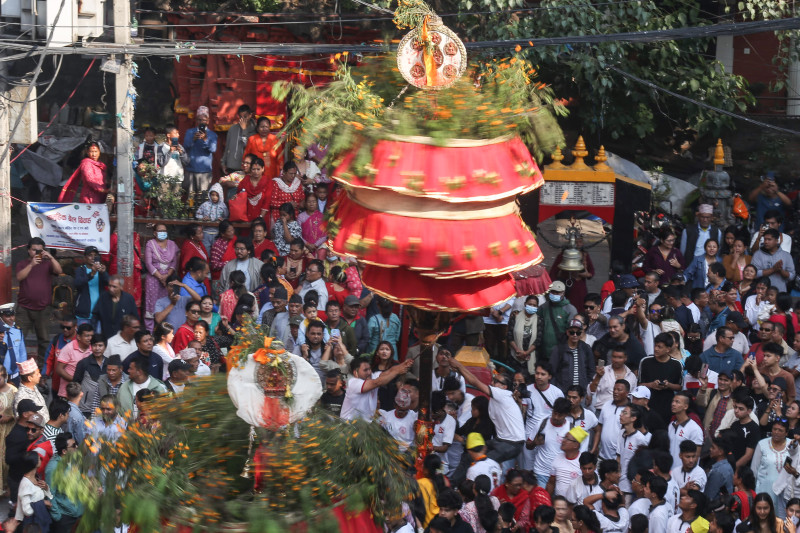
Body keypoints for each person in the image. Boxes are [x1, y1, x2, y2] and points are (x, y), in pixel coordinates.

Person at [448, 356, 526, 465]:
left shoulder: (503, 394)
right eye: (493, 380)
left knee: (481, 462)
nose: (492, 383)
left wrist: (459, 366)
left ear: (504, 387)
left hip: (511, 444)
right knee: (472, 452)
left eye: (496, 381)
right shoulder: (498, 399)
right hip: (500, 441)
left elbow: (475, 382)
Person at [16, 238, 63, 363]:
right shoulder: (22, 263)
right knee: (18, 339)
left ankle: (42, 371)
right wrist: (32, 264)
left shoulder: (47, 264)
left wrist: (51, 257)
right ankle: (19, 367)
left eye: (39, 250)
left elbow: (59, 271)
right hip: (24, 308)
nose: (36, 252)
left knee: (44, 341)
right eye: (33, 250)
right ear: (28, 250)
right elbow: (20, 277)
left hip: (43, 309)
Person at [340, 356, 413, 421]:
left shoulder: (372, 377)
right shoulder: (354, 383)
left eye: (370, 369)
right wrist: (398, 371)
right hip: (348, 425)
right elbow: (377, 382)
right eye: (365, 370)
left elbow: (389, 371)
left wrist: (403, 365)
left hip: (363, 426)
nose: (369, 372)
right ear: (355, 373)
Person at [638, 333, 683, 428]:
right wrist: (651, 385)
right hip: (648, 407)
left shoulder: (676, 364)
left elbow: (679, 386)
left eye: (660, 347)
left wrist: (669, 385)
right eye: (655, 345)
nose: (656, 349)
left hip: (667, 408)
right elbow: (639, 384)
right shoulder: (645, 362)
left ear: (668, 349)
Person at [143, 224, 180, 332]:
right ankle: (150, 332)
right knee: (151, 305)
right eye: (160, 231)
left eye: (164, 230)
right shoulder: (150, 244)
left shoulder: (172, 244)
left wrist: (167, 276)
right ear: (154, 233)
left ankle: (165, 331)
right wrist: (160, 277)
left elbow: (174, 262)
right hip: (153, 279)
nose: (162, 232)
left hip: (168, 279)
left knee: (166, 303)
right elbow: (148, 263)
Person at [45, 432, 83, 533]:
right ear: (64, 451)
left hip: (79, 513)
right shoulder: (53, 468)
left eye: (76, 443)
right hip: (65, 518)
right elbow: (50, 494)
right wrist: (57, 517)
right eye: (74, 446)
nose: (77, 447)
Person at [753, 419, 791, 517]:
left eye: (780, 430)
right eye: (774, 429)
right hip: (764, 490)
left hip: (784, 491)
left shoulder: (792, 446)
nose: (776, 432)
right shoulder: (762, 444)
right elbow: (754, 469)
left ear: (786, 432)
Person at [549, 318, 595, 393]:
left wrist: (587, 388)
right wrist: (556, 390)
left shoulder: (586, 348)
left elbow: (591, 371)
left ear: (581, 333)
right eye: (572, 332)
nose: (575, 335)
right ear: (567, 332)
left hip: (581, 393)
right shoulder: (558, 349)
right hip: (562, 393)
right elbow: (551, 372)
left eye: (578, 333)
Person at [539, 281, 578, 364]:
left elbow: (572, 332)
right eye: (552, 292)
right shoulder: (544, 306)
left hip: (560, 352)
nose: (554, 294)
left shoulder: (570, 309)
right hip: (544, 351)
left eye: (557, 292)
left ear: (563, 293)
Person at [589, 345, 636, 412]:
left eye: (620, 357)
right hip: (602, 410)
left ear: (625, 358)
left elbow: (632, 397)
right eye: (614, 357)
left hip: (623, 413)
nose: (616, 360)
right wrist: (598, 377)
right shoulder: (603, 371)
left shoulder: (631, 376)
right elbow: (591, 391)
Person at [182, 105, 218, 195]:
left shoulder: (212, 134)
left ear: (208, 121)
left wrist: (205, 139)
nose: (201, 122)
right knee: (191, 199)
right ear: (196, 120)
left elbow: (213, 149)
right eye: (199, 119)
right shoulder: (190, 132)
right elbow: (185, 146)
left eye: (204, 120)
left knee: (203, 198)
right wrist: (193, 139)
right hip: (191, 170)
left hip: (205, 171)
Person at [54, 323, 93, 399]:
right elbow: (59, 370)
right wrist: (75, 380)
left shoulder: (93, 348)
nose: (90, 338)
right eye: (87, 336)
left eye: (91, 336)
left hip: (85, 395)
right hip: (67, 394)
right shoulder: (69, 348)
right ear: (78, 337)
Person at [592, 379, 629, 460]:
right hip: (602, 456)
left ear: (627, 393)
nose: (615, 392)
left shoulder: (630, 410)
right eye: (614, 389)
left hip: (619, 459)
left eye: (619, 390)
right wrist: (594, 448)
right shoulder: (606, 405)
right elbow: (599, 428)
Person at [546, 426, 587, 497]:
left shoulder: (584, 461)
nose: (563, 441)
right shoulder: (557, 458)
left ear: (576, 445)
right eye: (564, 437)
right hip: (559, 503)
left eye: (567, 439)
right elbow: (551, 483)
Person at [752, 228, 796, 292]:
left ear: (776, 241)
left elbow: (792, 276)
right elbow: (754, 274)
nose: (766, 242)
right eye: (765, 239)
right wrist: (773, 269)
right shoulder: (757, 254)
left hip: (780, 293)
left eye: (769, 239)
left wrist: (781, 271)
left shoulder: (786, 255)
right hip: (762, 294)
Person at [74, 246, 109, 326]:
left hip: (99, 312)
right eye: (90, 255)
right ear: (85, 258)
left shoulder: (100, 270)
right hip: (84, 313)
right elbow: (77, 283)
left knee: (98, 337)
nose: (93, 258)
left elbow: (108, 283)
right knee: (83, 337)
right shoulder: (81, 270)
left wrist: (104, 273)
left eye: (95, 255)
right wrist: (92, 274)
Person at [507, 295, 542, 373]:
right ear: (525, 304)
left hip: (530, 357)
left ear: (537, 307)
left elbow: (538, 339)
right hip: (514, 356)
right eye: (530, 304)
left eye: (534, 305)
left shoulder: (539, 320)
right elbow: (509, 335)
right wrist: (517, 350)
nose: (532, 306)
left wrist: (526, 353)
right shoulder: (515, 316)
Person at [667, 392, 703, 467]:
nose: (673, 404)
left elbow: (696, 455)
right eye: (673, 401)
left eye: (677, 402)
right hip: (671, 471)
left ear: (685, 406)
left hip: (685, 473)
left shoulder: (694, 429)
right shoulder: (671, 425)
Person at [221, 104, 255, 176]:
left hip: (245, 167)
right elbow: (227, 147)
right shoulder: (233, 129)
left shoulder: (254, 130)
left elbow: (247, 146)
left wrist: (244, 131)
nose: (242, 119)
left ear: (250, 115)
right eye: (240, 117)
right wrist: (223, 163)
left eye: (245, 116)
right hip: (231, 166)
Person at [209, 220, 237, 285]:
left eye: (233, 230)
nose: (232, 232)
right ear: (222, 234)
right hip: (220, 279)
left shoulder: (235, 240)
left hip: (232, 278)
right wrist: (230, 263)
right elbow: (214, 265)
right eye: (229, 231)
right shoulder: (218, 245)